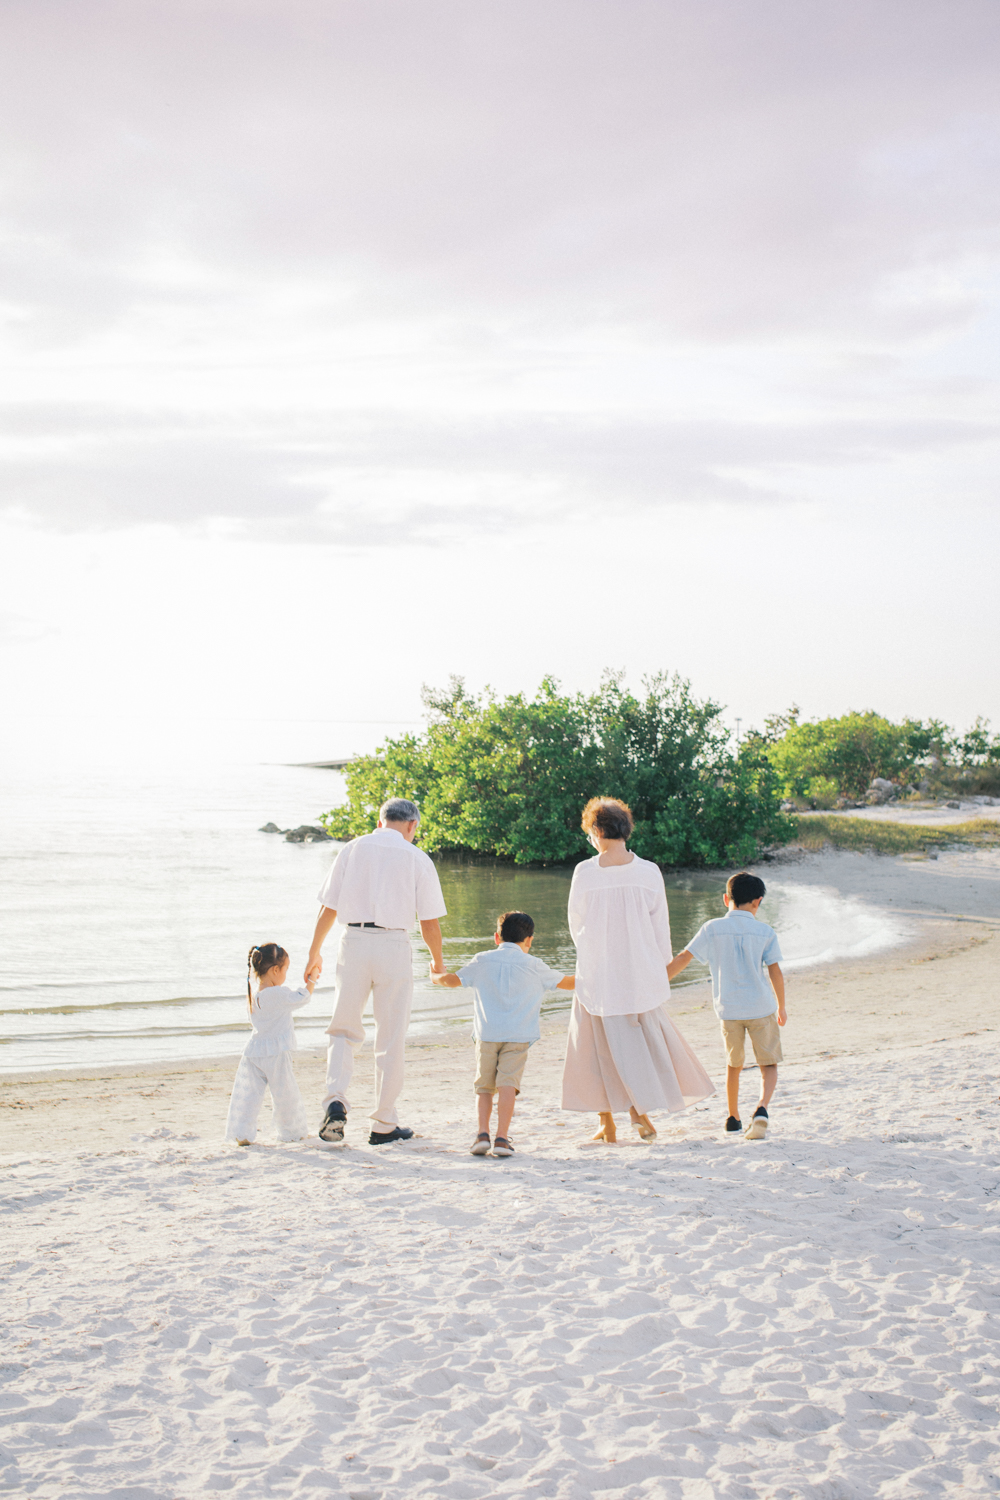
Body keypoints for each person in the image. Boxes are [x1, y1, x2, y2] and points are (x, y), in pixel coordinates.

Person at [561, 796, 714, 1142]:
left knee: (594, 1045)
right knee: (635, 1044)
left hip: (598, 971)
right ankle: (632, 1114)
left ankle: (612, 1121)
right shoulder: (648, 870)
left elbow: (576, 926)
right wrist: (657, 966)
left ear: (598, 831)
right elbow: (661, 927)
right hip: (638, 973)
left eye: (590, 832)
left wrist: (594, 955)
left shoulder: (585, 871)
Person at [306, 797, 447, 1146]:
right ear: (412, 825)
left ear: (380, 820)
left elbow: (328, 909)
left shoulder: (352, 849)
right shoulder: (417, 857)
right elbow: (429, 923)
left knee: (342, 1029)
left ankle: (335, 1101)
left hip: (352, 942)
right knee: (391, 1036)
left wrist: (313, 954)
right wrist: (438, 962)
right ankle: (384, 1122)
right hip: (393, 946)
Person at [431, 909, 575, 1157]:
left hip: (487, 1034)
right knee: (508, 1085)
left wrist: (435, 976)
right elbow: (569, 983)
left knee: (484, 1086)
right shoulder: (534, 965)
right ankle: (501, 1138)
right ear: (529, 940)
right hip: (518, 1036)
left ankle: (482, 1134)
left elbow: (453, 980)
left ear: (497, 938)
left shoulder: (482, 960)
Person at [667, 870, 785, 1140]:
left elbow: (685, 956)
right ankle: (762, 1109)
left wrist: (659, 982)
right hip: (761, 1007)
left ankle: (733, 1118)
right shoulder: (765, 931)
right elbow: (775, 971)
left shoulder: (712, 928)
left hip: (729, 1010)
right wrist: (782, 1006)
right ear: (758, 902)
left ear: (725, 899)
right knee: (769, 1065)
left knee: (734, 1064)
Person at [225, 942, 314, 1145]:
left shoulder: (254, 996)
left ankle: (242, 1133)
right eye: (285, 970)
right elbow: (302, 998)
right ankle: (292, 1131)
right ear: (275, 970)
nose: (285, 975)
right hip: (276, 1053)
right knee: (285, 1094)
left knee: (247, 1097)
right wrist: (312, 979)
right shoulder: (278, 994)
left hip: (253, 1052)